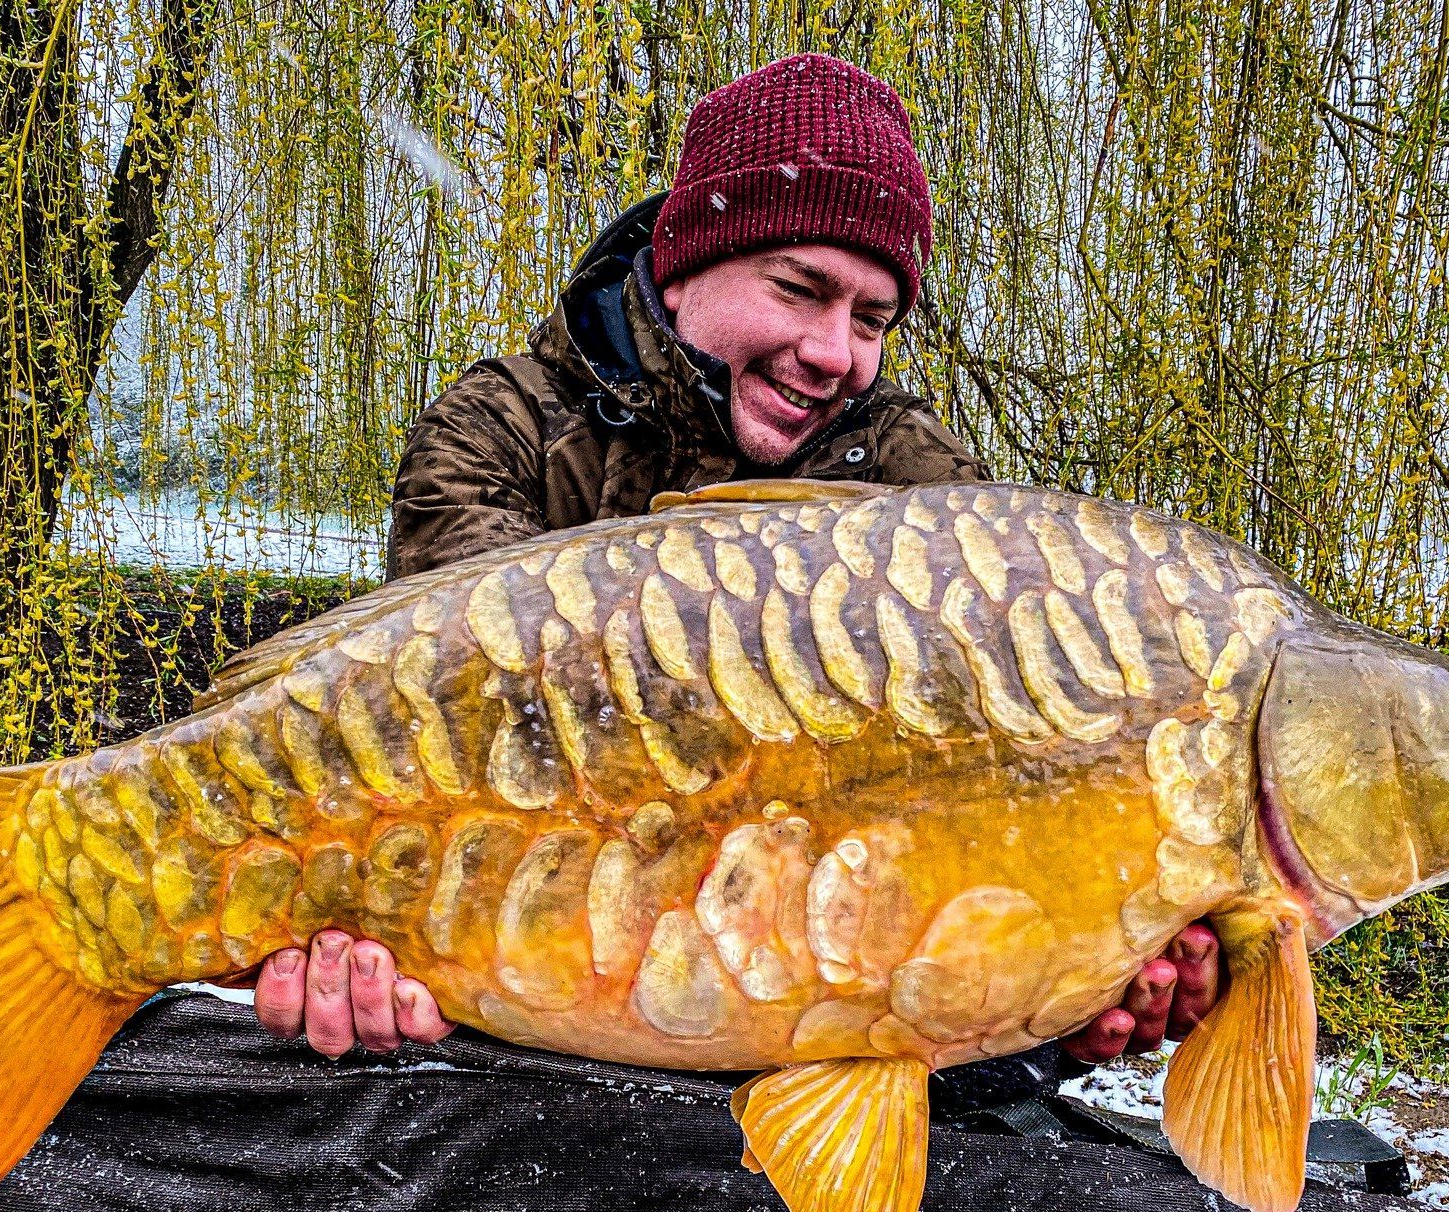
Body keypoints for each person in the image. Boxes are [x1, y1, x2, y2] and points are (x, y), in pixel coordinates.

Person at [249, 54, 1223, 1081]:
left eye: (872, 320)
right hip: (545, 982)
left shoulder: (916, 482)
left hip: (819, 1009)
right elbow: (463, 712)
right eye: (801, 291)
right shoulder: (502, 429)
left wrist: (1067, 970)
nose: (834, 352)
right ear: (683, 266)